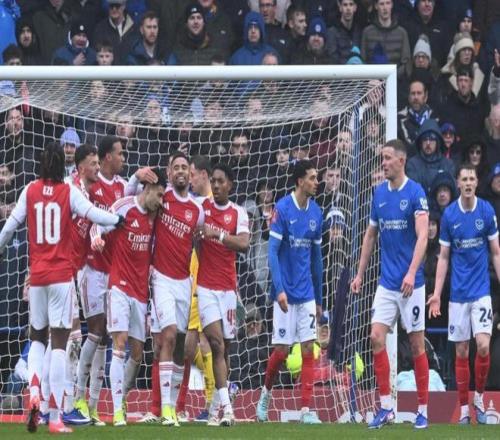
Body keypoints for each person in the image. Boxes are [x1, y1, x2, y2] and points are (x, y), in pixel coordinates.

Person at [0, 142, 123, 434]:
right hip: (62, 277)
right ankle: (54, 416)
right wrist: (119, 219)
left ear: (42, 165)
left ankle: (34, 392)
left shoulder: (29, 190)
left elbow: (9, 228)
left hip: (38, 277)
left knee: (37, 338)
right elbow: (94, 214)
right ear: (62, 166)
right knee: (59, 343)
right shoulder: (68, 192)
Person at [351, 139, 430, 429]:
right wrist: (360, 274)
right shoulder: (379, 193)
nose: (383, 163)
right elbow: (370, 235)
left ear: (401, 161)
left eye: (387, 158)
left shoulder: (416, 192)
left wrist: (411, 272)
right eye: (382, 158)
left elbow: (423, 236)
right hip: (386, 283)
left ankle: (423, 410)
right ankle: (386, 407)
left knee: (417, 344)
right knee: (375, 337)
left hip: (412, 284)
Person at [91, 168, 167, 427]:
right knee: (119, 343)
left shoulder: (156, 216)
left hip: (141, 291)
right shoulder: (124, 207)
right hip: (119, 286)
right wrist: (97, 239)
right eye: (159, 195)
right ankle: (116, 410)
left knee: (137, 353)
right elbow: (97, 223)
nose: (161, 201)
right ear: (147, 189)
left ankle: (121, 398)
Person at [427, 163, 500, 424]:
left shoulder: (486, 211)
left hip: (481, 291)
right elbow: (444, 257)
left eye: (472, 179)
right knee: (461, 351)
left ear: (476, 182)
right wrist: (437, 294)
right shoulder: (450, 216)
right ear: (458, 183)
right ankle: (464, 408)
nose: (468, 183)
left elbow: (496, 252)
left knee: (483, 346)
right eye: (464, 179)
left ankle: (478, 397)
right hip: (458, 295)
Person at [256, 159, 324, 425]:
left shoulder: (316, 212)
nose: (316, 182)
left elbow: (317, 260)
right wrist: (279, 289)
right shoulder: (282, 209)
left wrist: (319, 298)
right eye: (312, 177)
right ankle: (265, 394)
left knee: (309, 347)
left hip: (307, 293)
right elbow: (272, 253)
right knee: (282, 350)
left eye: (317, 177)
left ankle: (306, 410)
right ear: (300, 181)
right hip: (285, 293)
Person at [148, 152, 204, 427]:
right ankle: (165, 408)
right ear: (169, 173)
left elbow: (200, 247)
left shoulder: (197, 210)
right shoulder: (162, 198)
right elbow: (137, 199)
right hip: (160, 278)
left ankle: (172, 406)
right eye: (176, 167)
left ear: (190, 175)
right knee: (167, 336)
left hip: (184, 282)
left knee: (181, 345)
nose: (180, 171)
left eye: (184, 167)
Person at [195, 162, 250, 426]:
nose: (216, 185)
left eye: (220, 181)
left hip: (228, 289)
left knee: (225, 350)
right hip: (205, 287)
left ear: (230, 185)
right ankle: (228, 410)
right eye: (213, 181)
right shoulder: (201, 208)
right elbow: (195, 239)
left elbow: (244, 243)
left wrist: (216, 234)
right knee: (216, 343)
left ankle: (215, 409)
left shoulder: (238, 212)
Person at [360, 0, 411, 78]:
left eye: (388, 3)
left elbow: (406, 63)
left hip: (396, 80)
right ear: (376, 6)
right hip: (372, 80)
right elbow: (363, 60)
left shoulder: (402, 32)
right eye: (382, 4)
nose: (385, 7)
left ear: (392, 5)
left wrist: (392, 77)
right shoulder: (367, 32)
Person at [92, 0, 137, 65]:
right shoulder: (100, 29)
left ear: (124, 6)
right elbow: (96, 55)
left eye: (117, 6)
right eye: (111, 6)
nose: (114, 9)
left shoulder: (134, 28)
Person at [326, 0, 362, 64]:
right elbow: (333, 59)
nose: (348, 8)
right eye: (345, 5)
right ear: (340, 8)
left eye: (351, 4)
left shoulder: (359, 31)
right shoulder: (332, 32)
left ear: (355, 8)